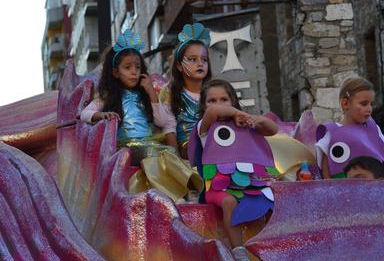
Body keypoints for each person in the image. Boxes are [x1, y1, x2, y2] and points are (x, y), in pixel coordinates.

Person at [80, 29, 202, 201]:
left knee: (168, 151)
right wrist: (101, 115)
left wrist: (151, 92)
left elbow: (161, 120)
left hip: (147, 143)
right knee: (155, 151)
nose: (134, 72)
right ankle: (175, 194)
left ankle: (186, 189)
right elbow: (85, 114)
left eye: (138, 67)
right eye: (128, 67)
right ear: (115, 72)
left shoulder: (144, 96)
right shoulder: (108, 97)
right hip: (126, 145)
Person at [187, 79, 278, 261]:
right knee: (229, 202)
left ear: (233, 101)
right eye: (211, 100)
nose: (217, 105)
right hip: (217, 189)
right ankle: (239, 252)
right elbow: (214, 113)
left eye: (223, 99)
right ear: (203, 106)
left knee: (272, 198)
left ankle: (272, 245)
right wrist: (237, 112)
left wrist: (255, 119)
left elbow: (272, 129)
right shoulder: (204, 128)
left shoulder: (242, 124)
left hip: (248, 185)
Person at [315, 77, 384, 179]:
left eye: (371, 104)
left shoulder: (374, 130)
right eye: (364, 104)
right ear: (345, 103)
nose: (369, 109)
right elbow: (327, 176)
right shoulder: (333, 133)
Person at [159, 23, 212, 159]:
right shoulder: (170, 91)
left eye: (204, 60)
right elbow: (168, 127)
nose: (200, 64)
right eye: (193, 59)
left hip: (216, 143)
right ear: (179, 66)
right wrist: (175, 159)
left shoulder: (213, 90)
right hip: (187, 149)